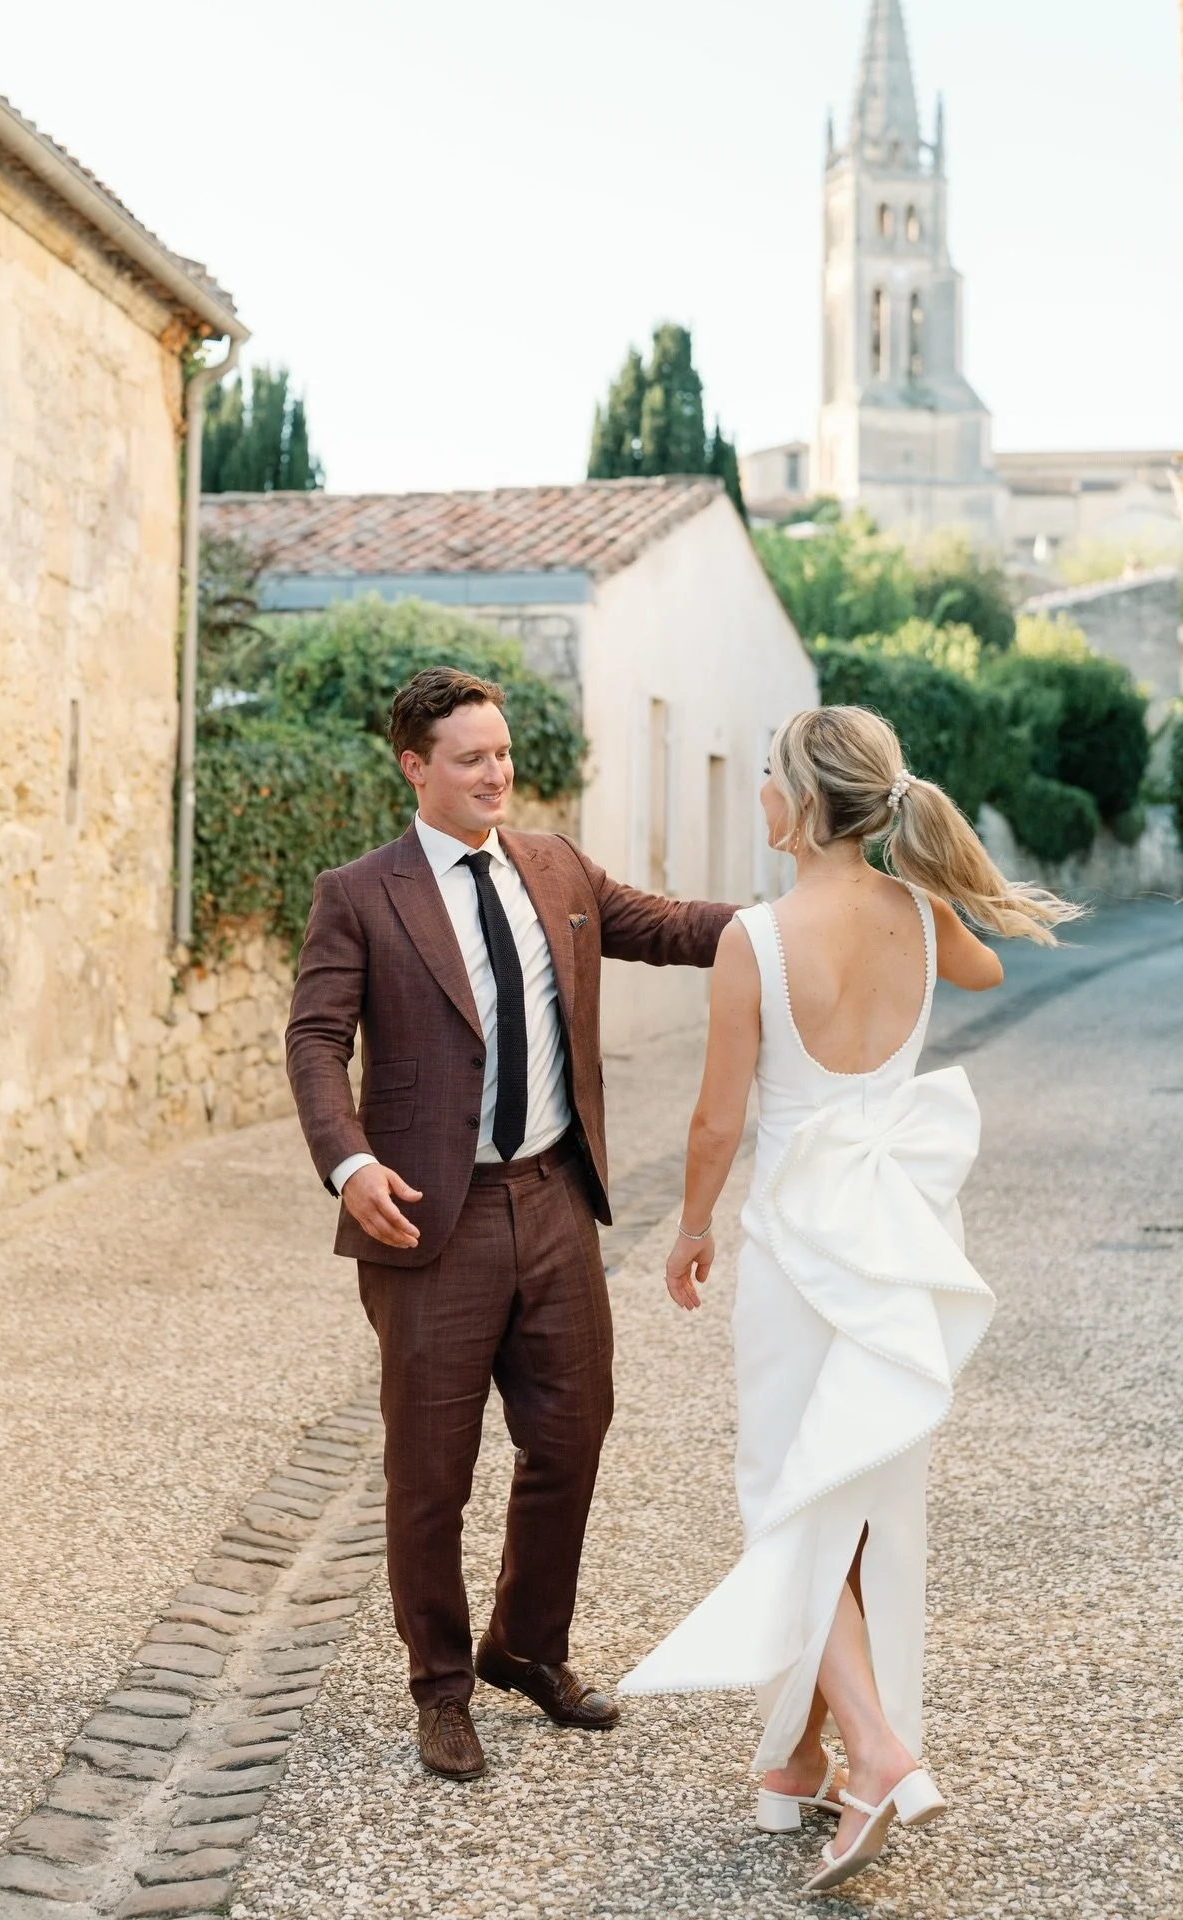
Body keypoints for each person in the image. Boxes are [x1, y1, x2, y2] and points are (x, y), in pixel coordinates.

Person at [619, 705, 1080, 1893]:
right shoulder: (922, 918)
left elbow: (718, 1119)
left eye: (768, 782)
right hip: (894, 1241)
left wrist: (689, 1229)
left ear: (802, 802)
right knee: (857, 1495)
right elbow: (981, 961)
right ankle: (795, 1760)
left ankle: (875, 1751)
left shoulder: (757, 940)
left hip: (794, 1247)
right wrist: (923, 873)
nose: (759, 802)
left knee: (787, 1492)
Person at [286, 665, 735, 1782]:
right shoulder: (361, 892)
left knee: (571, 1436)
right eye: (473, 758)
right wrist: (347, 1163)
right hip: (428, 1222)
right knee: (431, 1473)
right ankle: (439, 1689)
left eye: (504, 752)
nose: (498, 774)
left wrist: (808, 917)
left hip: (554, 1199)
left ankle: (526, 1646)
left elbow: (674, 927)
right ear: (415, 768)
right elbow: (313, 1041)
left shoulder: (556, 867)